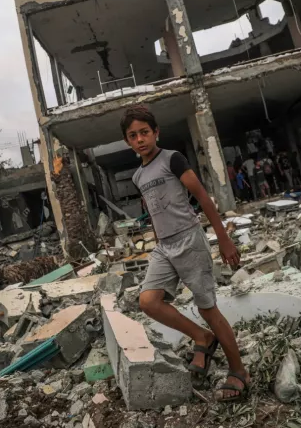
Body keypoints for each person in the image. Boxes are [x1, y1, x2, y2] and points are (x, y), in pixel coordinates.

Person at [121, 105, 250, 402]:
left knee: (207, 307)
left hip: (190, 240)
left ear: (156, 133)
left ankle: (238, 370)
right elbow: (153, 209)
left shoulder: (172, 159)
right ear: (128, 142)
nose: (140, 139)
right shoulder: (138, 176)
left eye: (144, 132)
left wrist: (224, 239)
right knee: (148, 302)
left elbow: (202, 197)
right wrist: (156, 239)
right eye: (133, 135)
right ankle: (202, 337)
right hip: (164, 247)